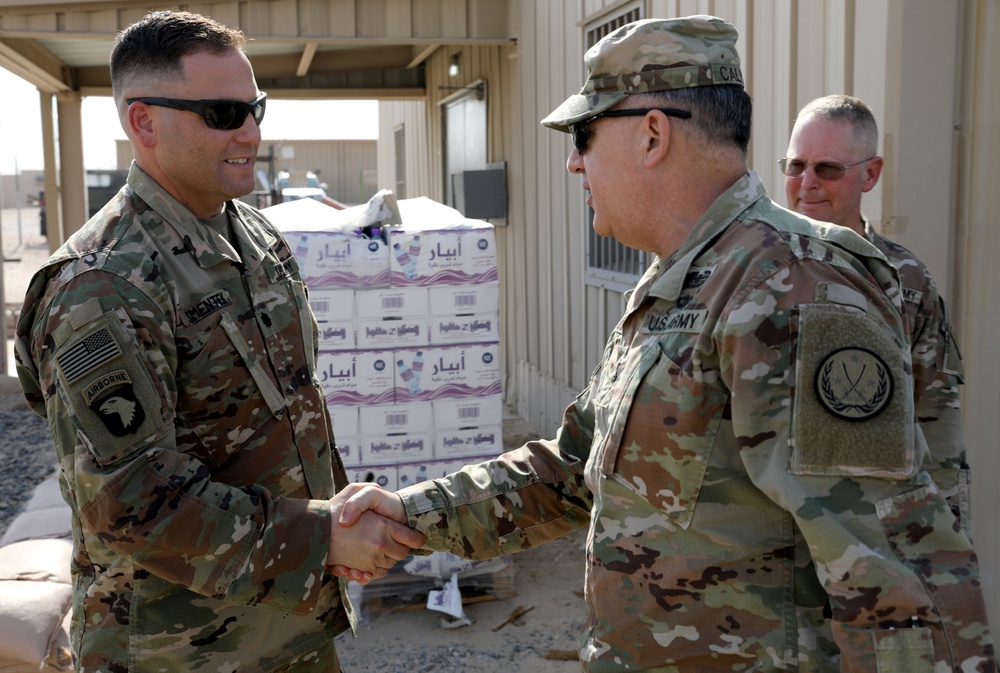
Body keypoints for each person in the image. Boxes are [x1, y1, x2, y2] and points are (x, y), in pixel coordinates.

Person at [337, 15, 996, 673]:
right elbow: (573, 468)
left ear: (653, 135)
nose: (573, 161)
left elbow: (893, 569)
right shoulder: (680, 284)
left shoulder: (795, 289)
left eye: (585, 135)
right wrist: (410, 513)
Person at [13, 10, 423, 673]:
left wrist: (339, 522)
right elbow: (135, 505)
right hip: (177, 649)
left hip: (288, 621)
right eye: (223, 113)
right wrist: (323, 537)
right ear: (143, 122)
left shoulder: (254, 236)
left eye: (254, 109)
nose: (252, 133)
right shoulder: (102, 284)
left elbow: (295, 407)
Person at [782, 94, 970, 533]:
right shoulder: (746, 269)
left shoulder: (908, 281)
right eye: (795, 166)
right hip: (765, 551)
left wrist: (943, 550)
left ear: (870, 174)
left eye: (826, 169)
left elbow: (937, 421)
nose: (806, 182)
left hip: (864, 541)